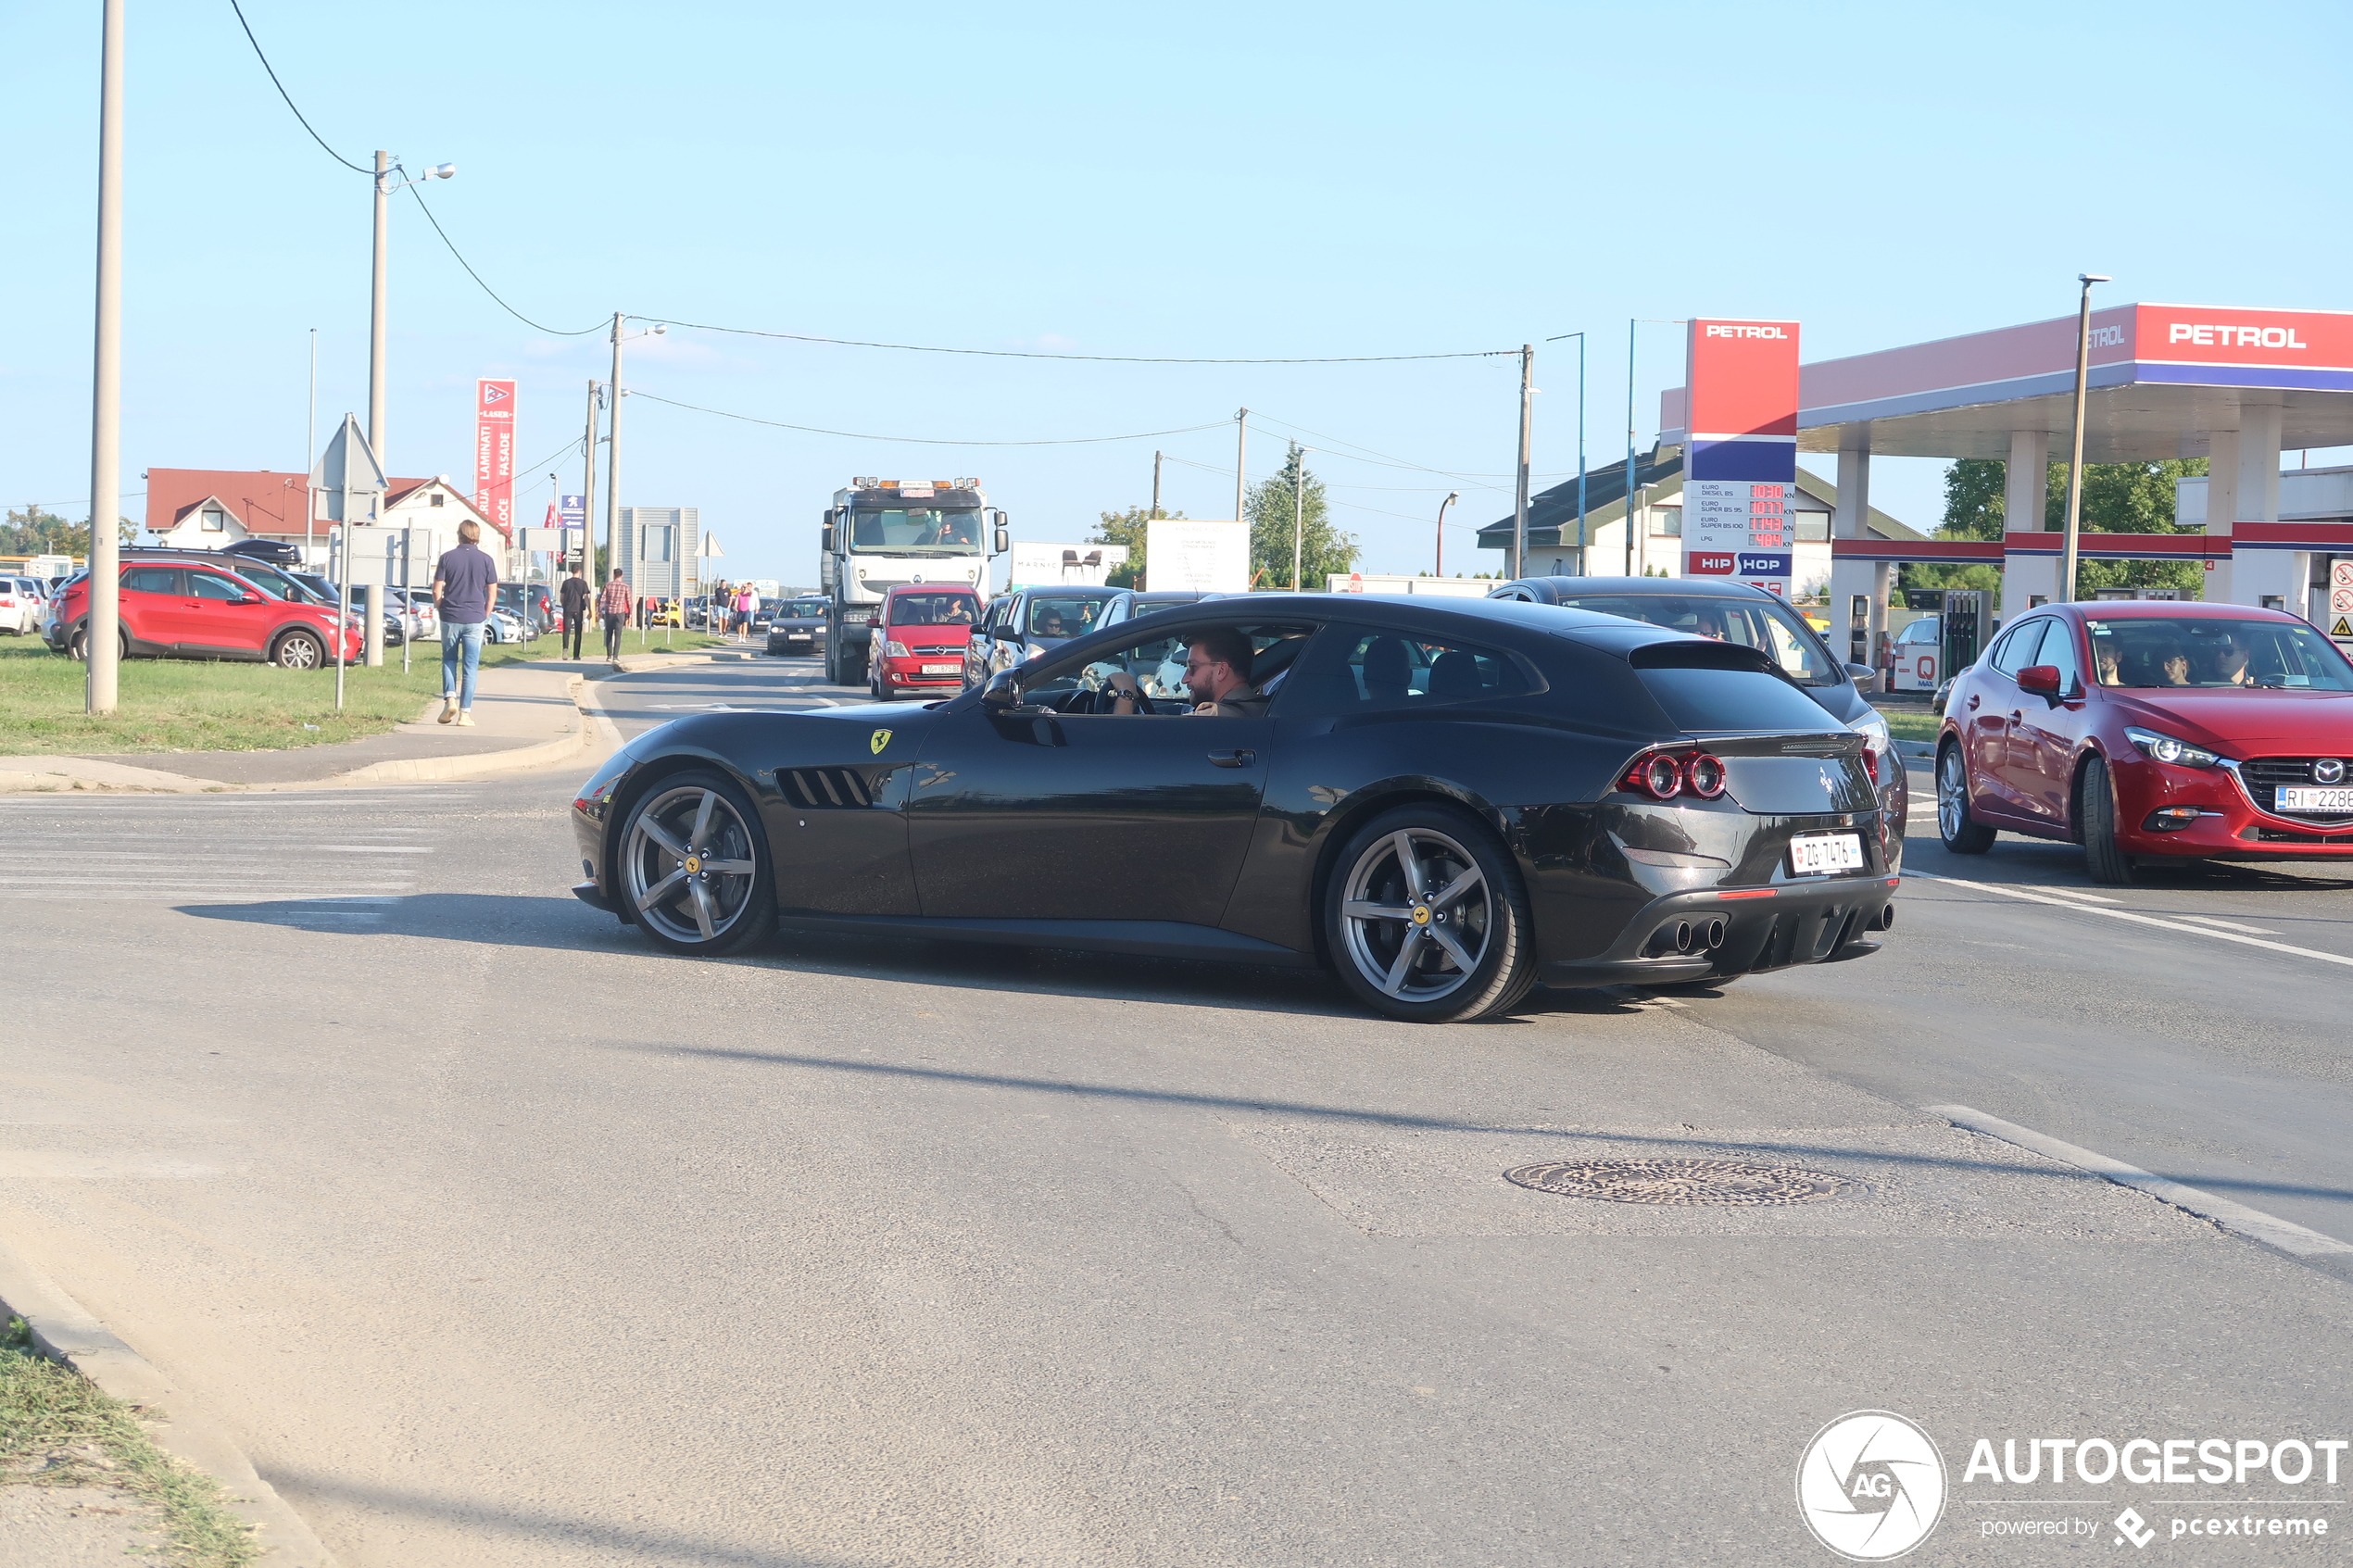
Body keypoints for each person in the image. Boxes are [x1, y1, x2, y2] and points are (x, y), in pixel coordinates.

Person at [1103, 627, 1268, 717]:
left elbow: (1122, 754)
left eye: (1193, 668)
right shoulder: (1263, 708)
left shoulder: (1211, 718)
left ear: (1222, 670)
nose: (1185, 679)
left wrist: (1126, 696)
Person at [431, 520, 498, 726]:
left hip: (451, 616)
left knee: (449, 659)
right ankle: (465, 714)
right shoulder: (486, 560)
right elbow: (492, 592)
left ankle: (450, 699)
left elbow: (437, 589)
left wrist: (441, 606)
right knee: (470, 666)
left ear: (459, 534)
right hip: (475, 617)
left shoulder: (447, 558)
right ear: (477, 535)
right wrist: (485, 613)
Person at [598, 570, 632, 664]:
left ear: (614, 575)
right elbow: (629, 601)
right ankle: (616, 656)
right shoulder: (625, 587)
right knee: (618, 635)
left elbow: (602, 599)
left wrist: (600, 610)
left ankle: (609, 656)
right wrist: (630, 614)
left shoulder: (608, 585)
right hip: (620, 613)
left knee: (609, 634)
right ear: (622, 576)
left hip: (609, 612)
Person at [559, 565, 590, 659]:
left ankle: (565, 649)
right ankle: (576, 655)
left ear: (571, 571)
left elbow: (562, 597)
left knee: (566, 631)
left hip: (568, 609)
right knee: (578, 632)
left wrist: (564, 605)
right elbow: (586, 598)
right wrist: (590, 610)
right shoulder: (583, 583)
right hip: (578, 609)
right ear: (579, 571)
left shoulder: (566, 583)